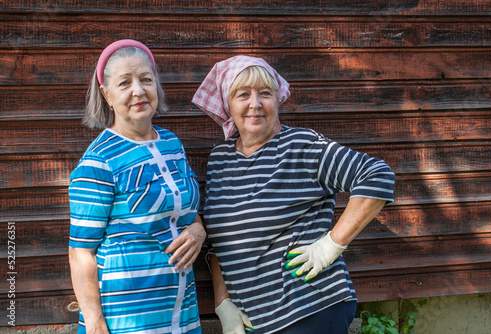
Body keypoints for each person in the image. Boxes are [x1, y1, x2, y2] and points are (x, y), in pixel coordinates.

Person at [192, 56, 395, 334]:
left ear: (278, 99)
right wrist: (223, 303)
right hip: (256, 320)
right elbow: (219, 242)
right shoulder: (220, 159)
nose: (255, 103)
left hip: (310, 308)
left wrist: (330, 246)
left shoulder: (301, 145)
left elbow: (377, 175)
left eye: (265, 93)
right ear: (228, 103)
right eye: (243, 94)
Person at [68, 39, 205, 334]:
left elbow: (186, 210)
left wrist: (198, 229)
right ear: (107, 95)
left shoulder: (172, 144)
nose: (138, 91)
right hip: (127, 320)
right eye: (124, 83)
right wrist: (94, 323)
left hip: (181, 312)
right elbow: (81, 252)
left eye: (146, 79)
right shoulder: (99, 160)